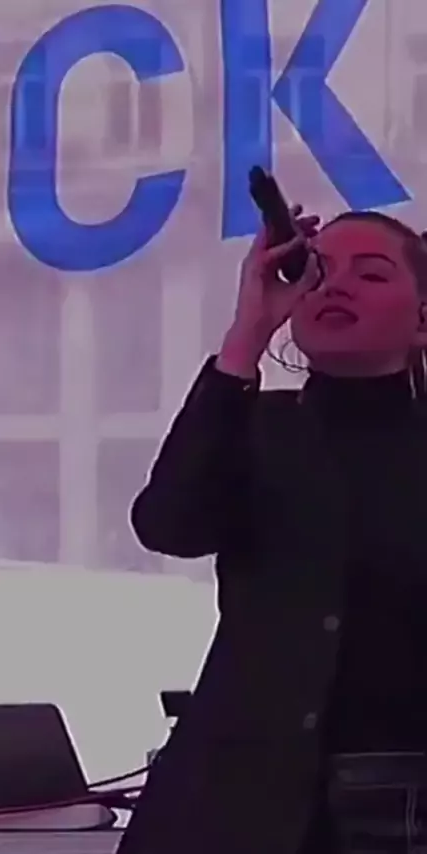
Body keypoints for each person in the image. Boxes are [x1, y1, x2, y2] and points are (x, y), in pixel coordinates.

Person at [117, 209, 427, 854]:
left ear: (422, 318)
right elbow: (170, 524)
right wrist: (248, 332)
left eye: (370, 274)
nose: (335, 286)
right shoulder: (252, 425)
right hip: (234, 801)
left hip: (401, 799)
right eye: (319, 270)